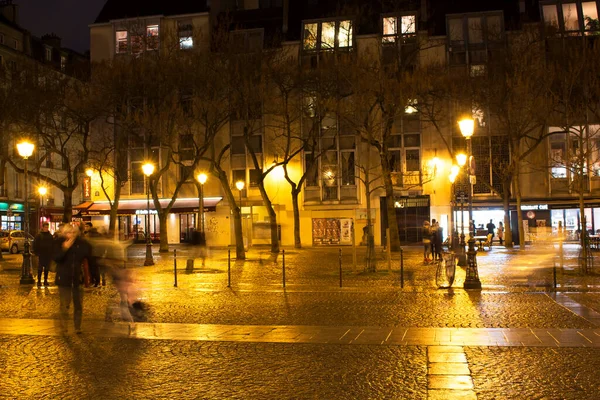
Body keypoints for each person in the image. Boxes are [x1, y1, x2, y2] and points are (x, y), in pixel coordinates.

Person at [54, 224, 92, 334]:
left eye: (73, 233)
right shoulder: (58, 243)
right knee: (64, 305)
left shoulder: (81, 244)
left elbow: (88, 257)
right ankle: (63, 327)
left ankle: (77, 327)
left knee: (78, 305)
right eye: (68, 232)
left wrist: (92, 276)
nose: (71, 235)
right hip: (63, 279)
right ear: (64, 234)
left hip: (77, 278)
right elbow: (56, 258)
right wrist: (64, 249)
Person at [33, 222, 54, 287]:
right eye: (45, 227)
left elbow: (52, 245)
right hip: (41, 254)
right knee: (40, 268)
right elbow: (35, 244)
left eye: (47, 227)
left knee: (46, 268)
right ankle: (39, 281)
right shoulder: (39, 236)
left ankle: (45, 280)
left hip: (48, 255)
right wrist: (36, 252)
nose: (46, 228)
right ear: (42, 227)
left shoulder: (50, 236)